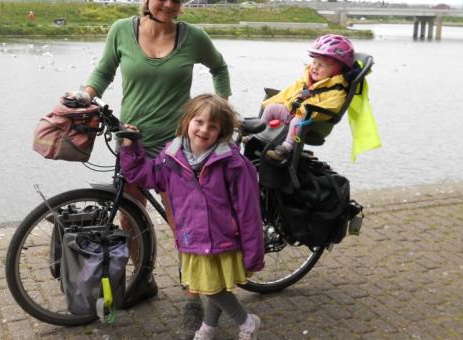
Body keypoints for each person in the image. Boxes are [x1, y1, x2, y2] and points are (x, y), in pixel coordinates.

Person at [83, 1, 231, 337]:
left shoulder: (193, 37)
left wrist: (221, 110)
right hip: (131, 142)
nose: (169, 4)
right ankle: (142, 278)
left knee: (184, 224)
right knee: (129, 216)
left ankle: (193, 300)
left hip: (177, 146)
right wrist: (86, 94)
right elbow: (104, 72)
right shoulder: (122, 29)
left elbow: (220, 68)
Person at [119, 94, 265, 340]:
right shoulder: (171, 156)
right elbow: (144, 175)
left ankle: (247, 321)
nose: (204, 130)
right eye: (199, 121)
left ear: (221, 132)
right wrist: (131, 147)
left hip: (223, 238)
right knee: (210, 284)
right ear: (187, 121)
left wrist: (253, 251)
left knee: (212, 287)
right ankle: (208, 327)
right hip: (191, 237)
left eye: (212, 126)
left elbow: (249, 210)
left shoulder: (233, 164)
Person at [258, 34, 355, 161]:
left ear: (336, 71)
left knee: (297, 121)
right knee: (272, 108)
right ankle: (258, 133)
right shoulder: (306, 81)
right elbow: (287, 93)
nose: (315, 67)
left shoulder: (336, 90)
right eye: (314, 62)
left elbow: (331, 107)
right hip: (291, 112)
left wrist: (303, 111)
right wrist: (269, 102)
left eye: (321, 65)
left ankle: (285, 149)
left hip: (311, 122)